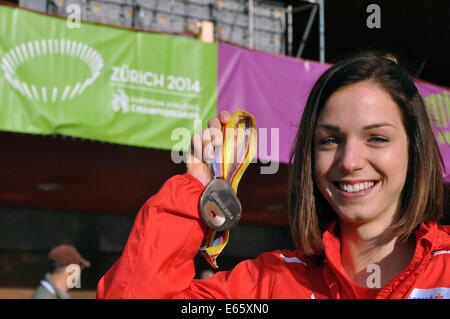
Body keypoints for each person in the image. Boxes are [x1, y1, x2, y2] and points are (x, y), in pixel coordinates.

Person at [96, 51, 450, 299]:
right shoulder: (268, 284)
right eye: (329, 140)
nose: (350, 161)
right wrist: (198, 190)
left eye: (377, 138)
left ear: (414, 147)